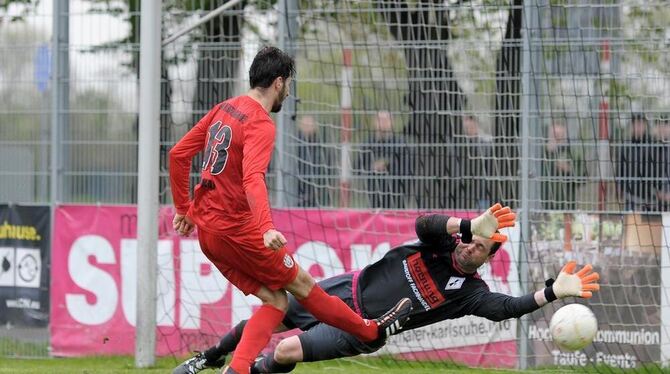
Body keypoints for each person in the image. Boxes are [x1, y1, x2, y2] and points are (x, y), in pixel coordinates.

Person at [168, 46, 413, 374]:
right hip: (239, 231)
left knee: (277, 301)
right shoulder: (260, 122)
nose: (289, 91)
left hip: (208, 235)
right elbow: (253, 177)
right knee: (302, 285)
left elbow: (178, 155)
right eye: (289, 84)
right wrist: (266, 227)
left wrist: (184, 208)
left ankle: (237, 369)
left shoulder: (223, 108)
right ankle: (370, 332)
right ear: (279, 83)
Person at [174, 204, 600, 374]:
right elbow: (424, 224)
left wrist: (552, 291)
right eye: (472, 238)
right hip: (343, 288)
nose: (470, 245)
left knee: (283, 352)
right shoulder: (441, 243)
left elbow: (506, 308)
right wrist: (468, 224)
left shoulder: (469, 292)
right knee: (260, 320)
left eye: (480, 246)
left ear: (489, 258)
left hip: (361, 328)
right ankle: (207, 359)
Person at [356, 111, 406, 209]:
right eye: (380, 119)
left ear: (392, 122)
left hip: (396, 197)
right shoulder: (367, 144)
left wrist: (388, 166)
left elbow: (406, 169)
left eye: (386, 119)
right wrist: (372, 167)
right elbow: (358, 167)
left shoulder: (401, 143)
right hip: (373, 196)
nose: (383, 122)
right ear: (374, 122)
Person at [617, 112, 657, 211]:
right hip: (630, 196)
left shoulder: (653, 145)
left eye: (641, 123)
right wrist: (619, 188)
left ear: (645, 126)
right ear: (632, 126)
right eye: (636, 123)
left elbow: (658, 169)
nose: (638, 126)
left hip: (649, 196)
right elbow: (620, 169)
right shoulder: (625, 146)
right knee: (630, 224)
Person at [455, 114, 494, 210]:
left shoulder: (485, 144)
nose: (469, 129)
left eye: (471, 126)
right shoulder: (460, 146)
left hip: (482, 192)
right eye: (467, 127)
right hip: (464, 192)